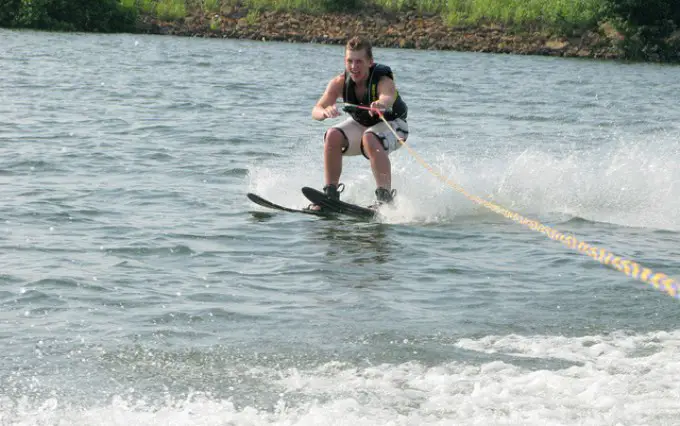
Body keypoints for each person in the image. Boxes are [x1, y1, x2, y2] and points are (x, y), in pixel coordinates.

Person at [309, 36, 408, 211]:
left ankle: (384, 199)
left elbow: (388, 96)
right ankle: (330, 194)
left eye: (359, 62)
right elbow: (316, 110)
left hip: (394, 126)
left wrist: (381, 104)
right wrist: (324, 112)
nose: (354, 67)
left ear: (370, 62)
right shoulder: (339, 82)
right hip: (363, 127)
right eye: (350, 61)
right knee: (332, 135)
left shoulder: (383, 81)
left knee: (370, 137)